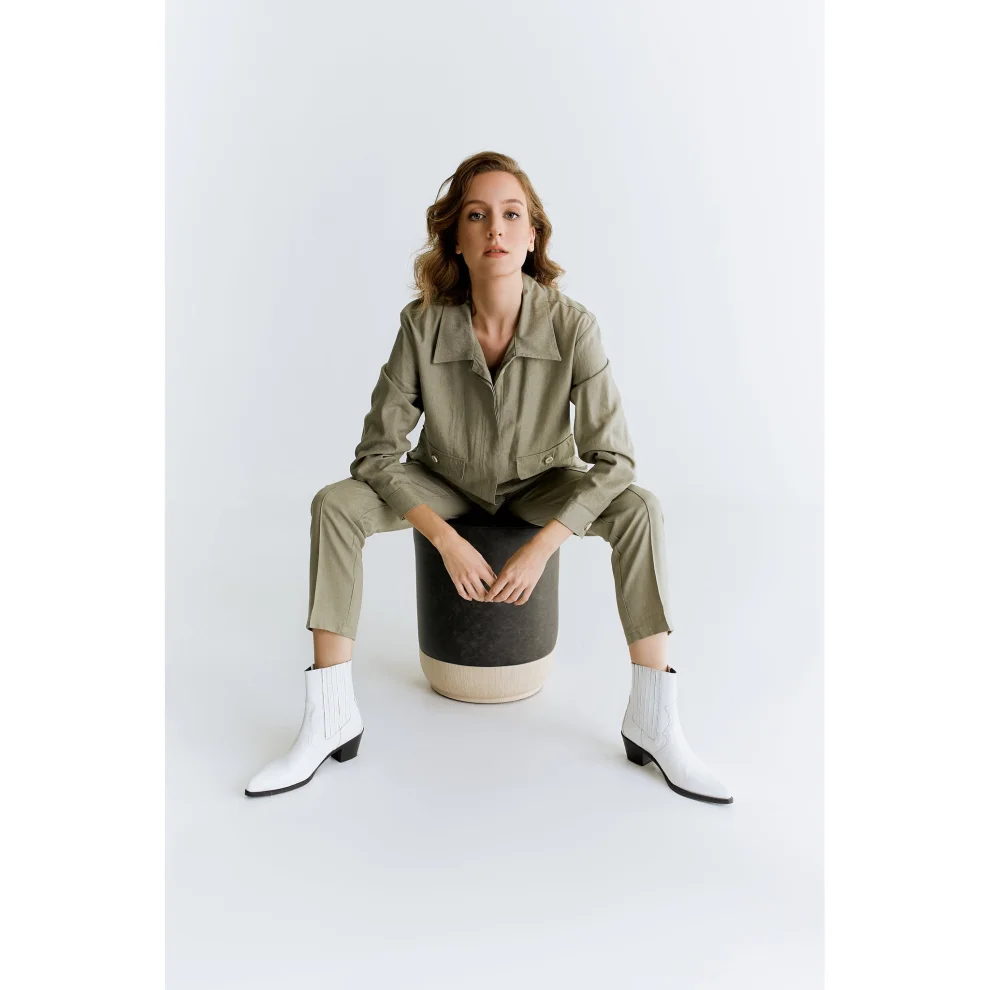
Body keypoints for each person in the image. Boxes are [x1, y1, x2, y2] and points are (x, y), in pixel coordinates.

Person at [245, 151, 733, 804]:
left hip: (544, 484)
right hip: (443, 482)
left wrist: (542, 546)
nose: (495, 228)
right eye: (477, 215)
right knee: (334, 503)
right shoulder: (421, 325)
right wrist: (443, 538)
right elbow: (375, 456)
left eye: (511, 215)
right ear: (456, 237)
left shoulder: (573, 326)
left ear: (532, 237)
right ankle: (330, 717)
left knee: (639, 507)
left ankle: (655, 720)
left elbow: (615, 461)